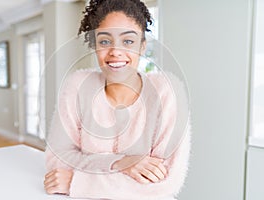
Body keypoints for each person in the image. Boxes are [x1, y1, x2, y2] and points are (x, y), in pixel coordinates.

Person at [44, 0, 191, 199]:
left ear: (142, 46)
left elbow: (165, 183)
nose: (115, 51)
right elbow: (57, 160)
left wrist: (75, 181)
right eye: (105, 41)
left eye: (128, 41)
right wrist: (121, 163)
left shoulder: (167, 92)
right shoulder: (77, 86)